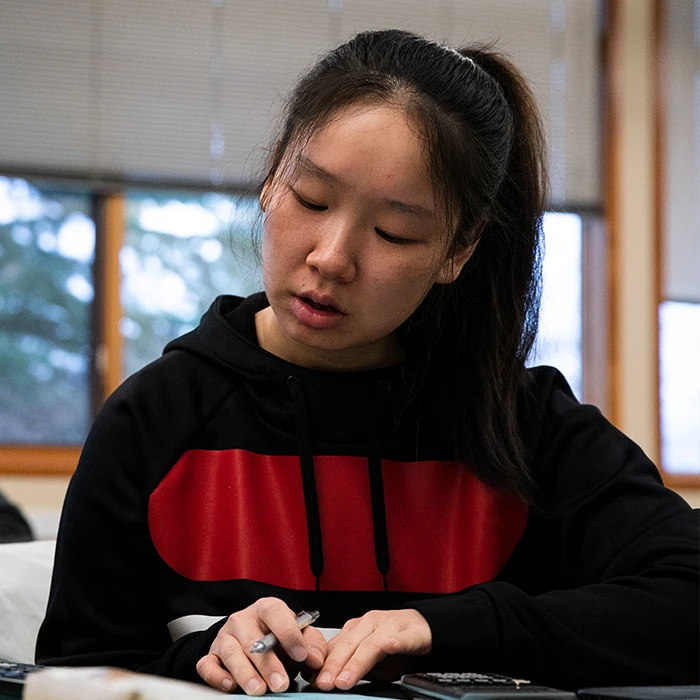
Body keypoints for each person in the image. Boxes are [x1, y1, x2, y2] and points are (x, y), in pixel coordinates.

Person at [36, 29, 698, 694]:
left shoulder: (521, 428)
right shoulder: (154, 422)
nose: (332, 256)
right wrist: (205, 658)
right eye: (312, 199)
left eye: (394, 233)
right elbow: (70, 677)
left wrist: (450, 629)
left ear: (457, 252)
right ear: (271, 180)